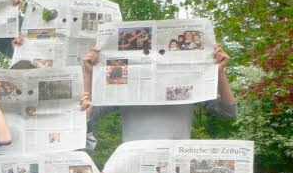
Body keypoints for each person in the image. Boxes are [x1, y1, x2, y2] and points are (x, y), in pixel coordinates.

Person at [82, 44, 236, 142]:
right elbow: (88, 114)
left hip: (175, 162)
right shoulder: (127, 87)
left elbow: (228, 111)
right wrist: (89, 75)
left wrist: (220, 72)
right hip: (134, 163)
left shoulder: (186, 86)